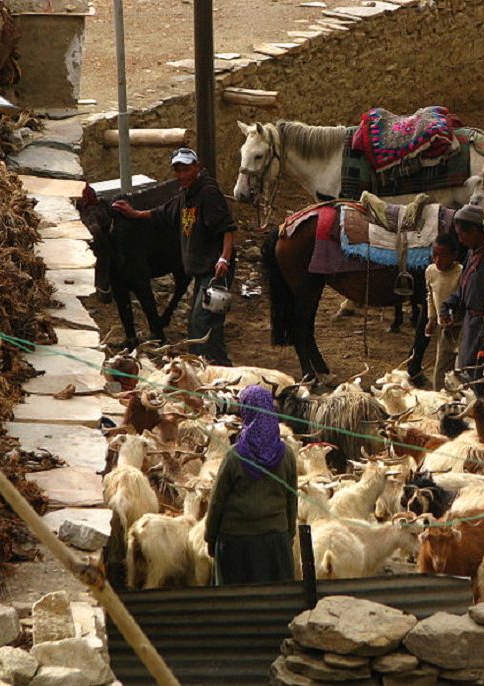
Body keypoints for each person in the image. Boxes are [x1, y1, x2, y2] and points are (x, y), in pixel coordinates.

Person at [112, 147, 236, 365]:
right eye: (178, 170)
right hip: (203, 269)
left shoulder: (207, 193)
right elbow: (163, 212)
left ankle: (206, 366)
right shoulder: (186, 194)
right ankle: (213, 365)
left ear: (197, 167)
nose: (182, 174)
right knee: (208, 323)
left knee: (201, 322)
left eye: (186, 169)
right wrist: (135, 214)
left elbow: (227, 227)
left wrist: (224, 258)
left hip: (216, 268)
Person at [203, 385, 297, 585]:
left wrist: (210, 537)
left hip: (235, 541)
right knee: (275, 597)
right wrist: (289, 535)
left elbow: (217, 500)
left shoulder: (235, 455)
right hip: (274, 540)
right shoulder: (286, 454)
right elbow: (291, 498)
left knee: (235, 601)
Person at [439, 198, 484, 384]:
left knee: (476, 371)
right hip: (469, 323)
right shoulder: (470, 254)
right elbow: (462, 289)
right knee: (466, 368)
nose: (460, 240)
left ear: (475, 231)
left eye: (462, 235)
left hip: (482, 326)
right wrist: (447, 307)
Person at [424, 233, 463, 389]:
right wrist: (431, 318)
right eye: (435, 255)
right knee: (441, 366)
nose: (439, 260)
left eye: (444, 255)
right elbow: (430, 295)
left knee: (459, 366)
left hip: (460, 326)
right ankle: (438, 396)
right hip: (443, 326)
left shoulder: (461, 272)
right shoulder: (430, 271)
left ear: (454, 255)